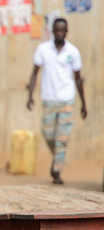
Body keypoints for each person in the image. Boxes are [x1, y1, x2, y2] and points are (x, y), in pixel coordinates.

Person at [27, 18, 87, 185]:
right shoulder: (43, 49)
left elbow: (78, 78)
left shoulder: (73, 51)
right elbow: (34, 73)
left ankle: (56, 170)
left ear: (66, 31)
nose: (59, 33)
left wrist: (84, 104)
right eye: (57, 30)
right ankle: (58, 157)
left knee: (62, 137)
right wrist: (30, 95)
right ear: (52, 31)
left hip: (67, 99)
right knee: (47, 133)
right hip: (49, 99)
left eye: (62, 30)